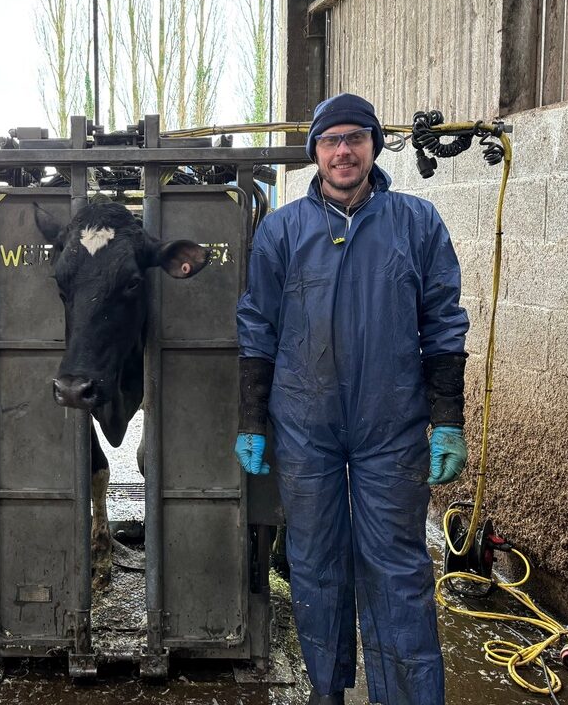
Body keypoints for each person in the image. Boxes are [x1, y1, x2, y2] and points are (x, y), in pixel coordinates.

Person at [234, 93, 469, 705]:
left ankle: (410, 696)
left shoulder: (416, 223)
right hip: (305, 425)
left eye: (355, 138)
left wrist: (447, 417)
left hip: (390, 427)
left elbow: (444, 323)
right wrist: (252, 418)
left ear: (373, 146)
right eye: (331, 140)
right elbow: (257, 325)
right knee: (315, 563)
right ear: (315, 151)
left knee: (396, 567)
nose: (343, 150)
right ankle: (327, 689)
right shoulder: (282, 229)